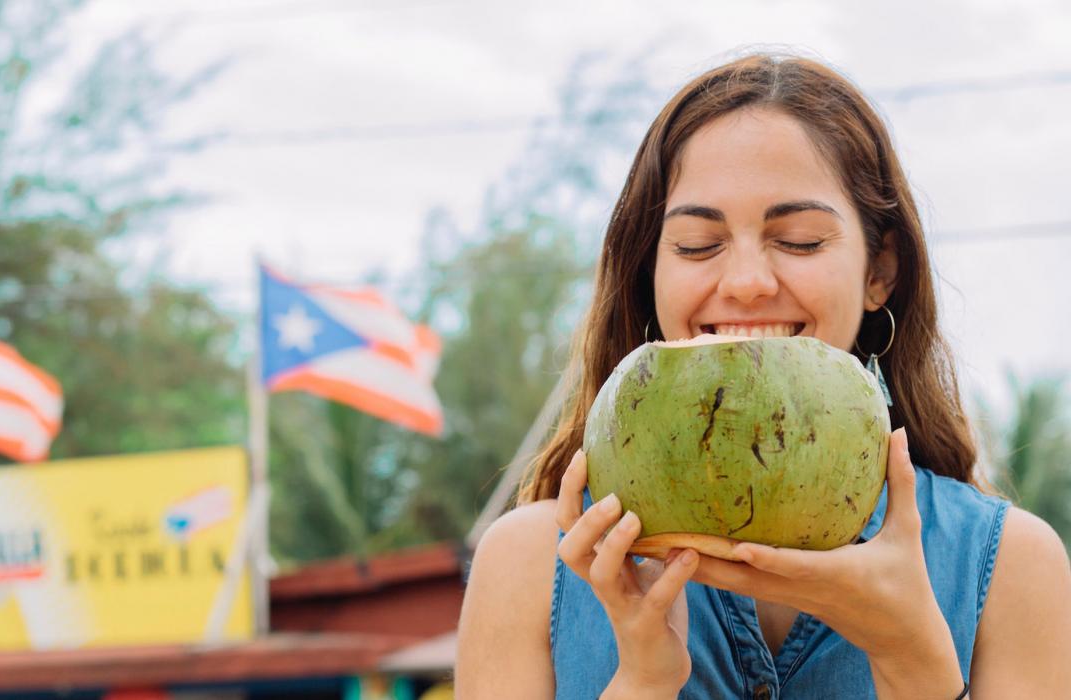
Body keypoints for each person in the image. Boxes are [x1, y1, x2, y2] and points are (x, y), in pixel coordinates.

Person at [455, 53, 1071, 699]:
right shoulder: (526, 563)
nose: (747, 283)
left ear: (879, 271)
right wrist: (642, 680)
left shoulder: (1010, 565)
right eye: (697, 245)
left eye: (800, 240)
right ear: (650, 274)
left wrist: (912, 657)